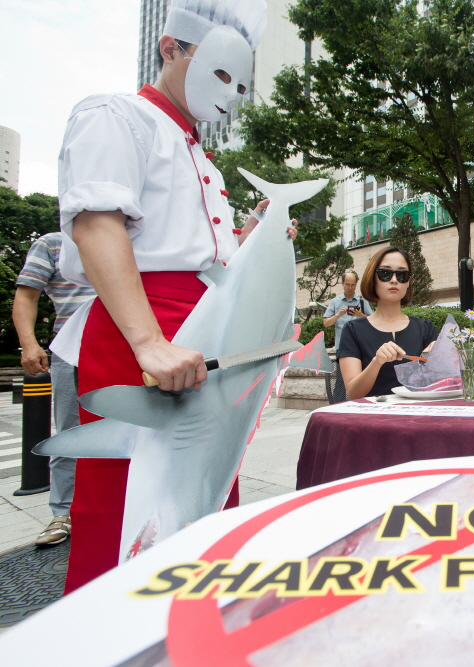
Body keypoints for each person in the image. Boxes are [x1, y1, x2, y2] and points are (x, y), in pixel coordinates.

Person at [50, 0, 298, 594]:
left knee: (204, 503)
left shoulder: (200, 155)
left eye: (241, 84)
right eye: (220, 73)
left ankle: (190, 632)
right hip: (141, 330)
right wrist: (147, 342)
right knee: (127, 506)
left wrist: (250, 241)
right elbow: (97, 224)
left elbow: (196, 257)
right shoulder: (116, 115)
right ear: (170, 49)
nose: (231, 93)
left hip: (207, 336)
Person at [12, 232, 96, 546]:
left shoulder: (134, 236)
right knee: (70, 431)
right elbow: (26, 295)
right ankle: (63, 511)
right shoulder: (52, 244)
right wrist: (29, 344)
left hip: (127, 344)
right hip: (71, 348)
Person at [338, 247, 437, 399]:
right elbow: (353, 393)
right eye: (385, 273)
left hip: (417, 409)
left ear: (408, 282)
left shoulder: (425, 328)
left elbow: (439, 383)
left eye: (402, 275)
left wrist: (442, 357)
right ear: (372, 278)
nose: (394, 280)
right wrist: (376, 362)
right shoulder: (353, 330)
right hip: (372, 411)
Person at [323, 270, 372, 350]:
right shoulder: (335, 302)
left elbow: (372, 322)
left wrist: (360, 315)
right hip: (341, 346)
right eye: (347, 284)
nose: (350, 288)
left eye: (353, 285)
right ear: (342, 284)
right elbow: (326, 323)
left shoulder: (362, 301)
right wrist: (338, 315)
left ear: (356, 284)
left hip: (359, 345)